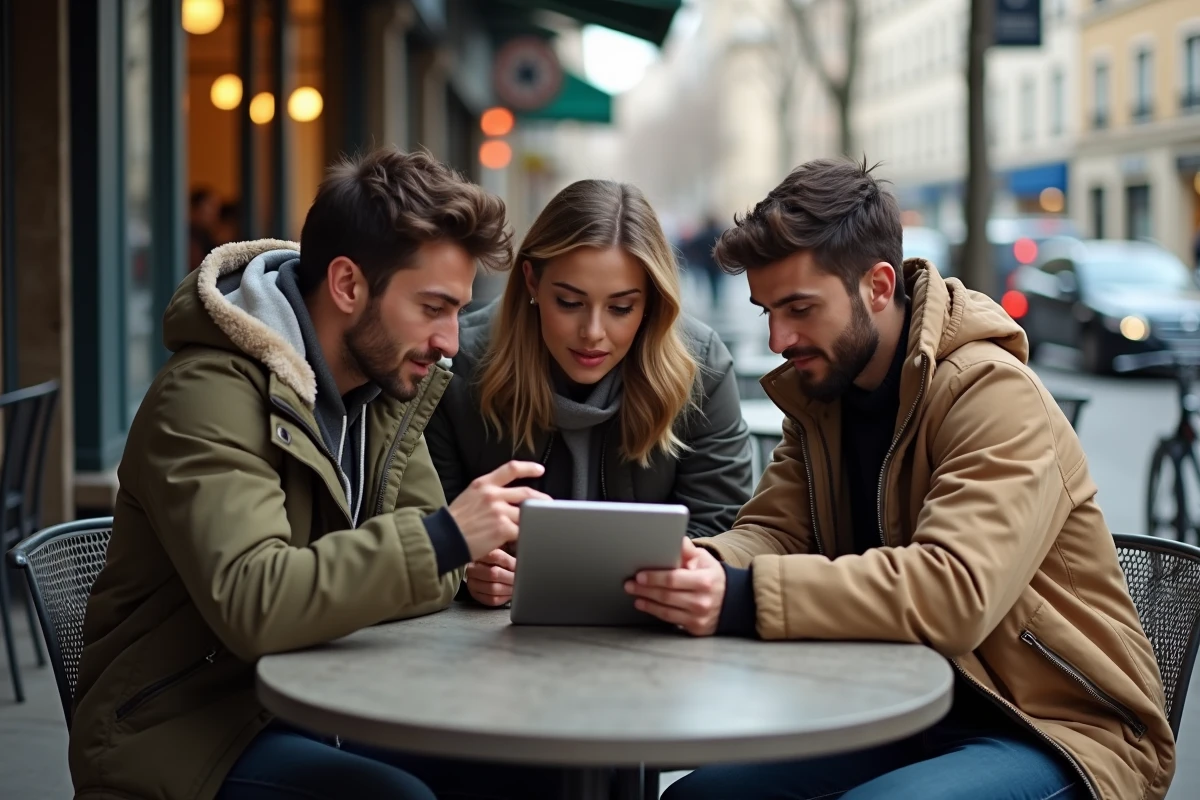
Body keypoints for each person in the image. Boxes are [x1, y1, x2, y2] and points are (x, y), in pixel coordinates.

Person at [626, 159, 1176, 800]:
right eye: (767, 311)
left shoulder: (991, 392)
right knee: (698, 797)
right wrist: (697, 566)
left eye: (800, 308)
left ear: (879, 286)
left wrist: (743, 596)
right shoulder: (823, 396)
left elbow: (954, 592)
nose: (778, 338)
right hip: (902, 709)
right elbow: (775, 532)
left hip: (1056, 728)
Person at [68, 147, 557, 800]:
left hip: (326, 695)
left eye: (456, 310)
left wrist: (457, 557)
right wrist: (446, 540)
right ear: (348, 285)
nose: (449, 340)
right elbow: (257, 602)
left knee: (537, 767)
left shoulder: (383, 387)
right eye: (432, 307)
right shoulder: (206, 395)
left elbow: (428, 564)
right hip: (187, 728)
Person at [426, 179, 754, 608]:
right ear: (531, 281)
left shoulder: (701, 367)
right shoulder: (457, 365)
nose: (593, 333)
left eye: (621, 308)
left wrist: (685, 574)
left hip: (654, 625)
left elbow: (721, 529)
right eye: (569, 302)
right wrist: (466, 569)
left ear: (651, 302)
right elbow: (428, 527)